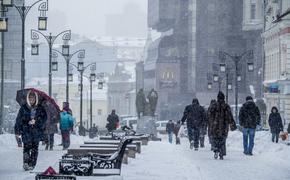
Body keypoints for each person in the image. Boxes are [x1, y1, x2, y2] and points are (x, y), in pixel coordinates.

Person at [14, 90, 47, 171]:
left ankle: (32, 164)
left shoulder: (40, 108)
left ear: (35, 99)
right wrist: (17, 130)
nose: (31, 100)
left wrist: (36, 121)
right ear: (28, 99)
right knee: (26, 147)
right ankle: (26, 163)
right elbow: (19, 120)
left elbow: (44, 119)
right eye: (30, 98)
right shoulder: (24, 108)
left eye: (33, 98)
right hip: (26, 131)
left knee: (35, 149)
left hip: (36, 132)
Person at [208, 91, 236, 160]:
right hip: (224, 126)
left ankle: (216, 149)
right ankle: (221, 152)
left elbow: (209, 115)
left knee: (215, 138)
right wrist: (232, 124)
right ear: (224, 98)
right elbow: (230, 116)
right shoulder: (226, 106)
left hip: (215, 126)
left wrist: (210, 123)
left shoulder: (213, 105)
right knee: (223, 139)